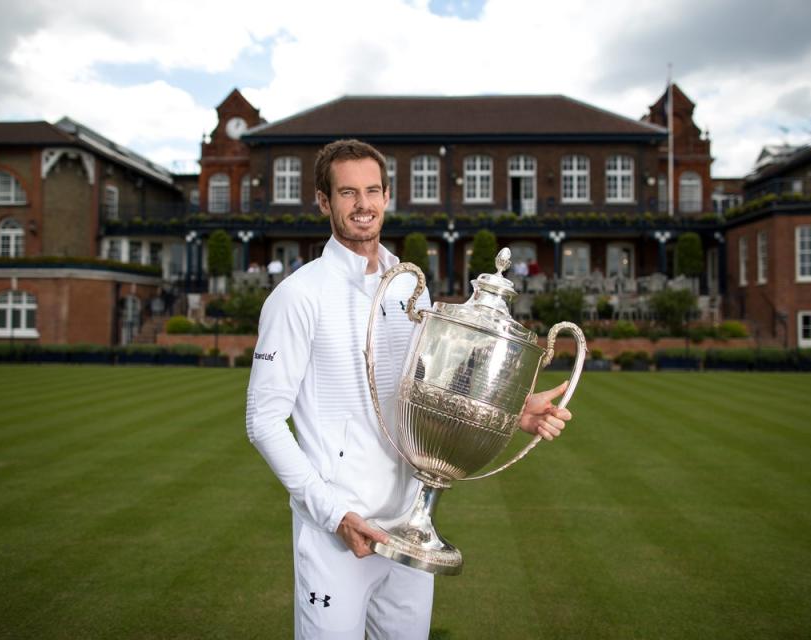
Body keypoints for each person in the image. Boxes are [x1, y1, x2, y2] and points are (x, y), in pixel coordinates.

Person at [246, 139, 573, 639]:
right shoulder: (297, 296)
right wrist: (334, 515)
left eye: (372, 190)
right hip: (340, 531)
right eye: (348, 192)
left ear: (387, 195)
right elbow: (263, 420)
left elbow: (427, 386)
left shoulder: (407, 286)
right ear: (323, 201)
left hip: (410, 527)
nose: (363, 204)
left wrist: (510, 410)